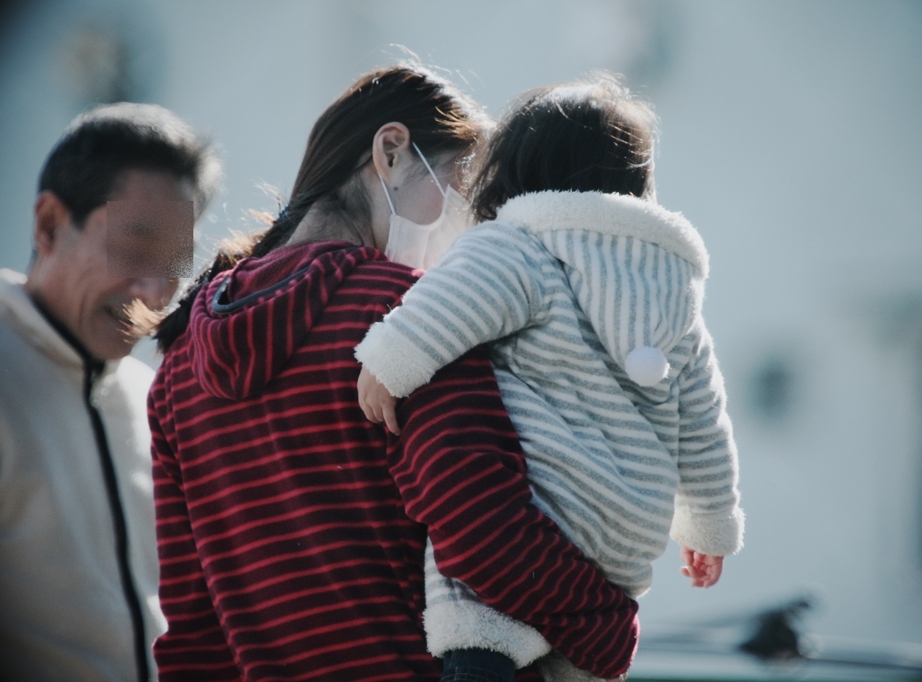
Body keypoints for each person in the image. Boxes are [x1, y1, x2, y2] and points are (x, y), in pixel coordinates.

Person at [149, 63, 640, 682]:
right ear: (390, 151)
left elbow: (194, 634)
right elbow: (478, 514)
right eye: (465, 187)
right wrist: (609, 625)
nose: (474, 224)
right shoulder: (412, 317)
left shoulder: (178, 369)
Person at [356, 74, 746, 681]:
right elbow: (704, 422)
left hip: (539, 516)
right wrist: (709, 523)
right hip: (625, 535)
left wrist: (389, 361)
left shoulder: (519, 246)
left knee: (477, 623)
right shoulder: (674, 294)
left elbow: (453, 301)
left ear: (513, 173)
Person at [0, 103, 221, 681]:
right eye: (134, 245)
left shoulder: (158, 399)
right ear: (49, 224)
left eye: (174, 256)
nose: (153, 291)